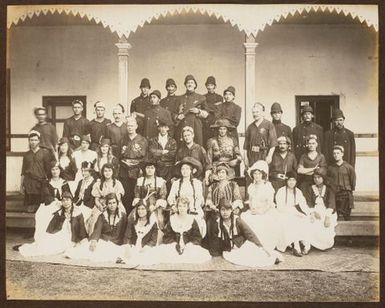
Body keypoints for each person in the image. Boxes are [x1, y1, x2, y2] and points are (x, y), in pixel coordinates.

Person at [205, 199, 280, 267]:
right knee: (242, 259)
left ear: (231, 210)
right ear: (219, 211)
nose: (225, 213)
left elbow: (249, 233)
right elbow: (215, 240)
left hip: (241, 244)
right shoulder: (217, 223)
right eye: (223, 210)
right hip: (229, 249)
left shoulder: (237, 220)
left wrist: (260, 246)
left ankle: (270, 258)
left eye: (228, 210)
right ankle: (268, 259)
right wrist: (215, 253)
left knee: (254, 251)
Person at [18, 191, 88, 257]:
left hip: (70, 236)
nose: (65, 202)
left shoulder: (77, 213)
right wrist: (48, 235)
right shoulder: (60, 212)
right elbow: (52, 225)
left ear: (71, 201)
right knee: (47, 242)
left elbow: (81, 227)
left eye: (67, 200)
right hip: (59, 233)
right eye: (63, 200)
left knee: (55, 247)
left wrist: (83, 238)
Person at [66, 193, 128, 262]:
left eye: (114, 203)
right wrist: (94, 240)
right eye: (110, 203)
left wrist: (126, 244)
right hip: (103, 240)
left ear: (117, 203)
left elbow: (126, 232)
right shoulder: (102, 216)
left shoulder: (123, 216)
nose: (112, 205)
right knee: (90, 249)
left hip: (116, 242)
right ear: (107, 205)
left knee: (114, 252)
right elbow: (97, 229)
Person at [242, 160, 286, 254]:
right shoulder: (251, 186)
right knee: (245, 218)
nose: (256, 176)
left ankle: (263, 245)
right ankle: (253, 244)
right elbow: (250, 200)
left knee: (263, 221)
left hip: (266, 210)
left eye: (259, 173)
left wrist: (261, 211)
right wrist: (251, 208)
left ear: (262, 174)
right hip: (254, 209)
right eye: (255, 173)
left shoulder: (268, 186)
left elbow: (270, 203)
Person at [157, 196, 211, 264]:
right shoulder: (172, 219)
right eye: (180, 206)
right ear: (177, 207)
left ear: (188, 207)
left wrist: (189, 245)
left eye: (184, 206)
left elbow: (197, 237)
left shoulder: (192, 220)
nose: (182, 208)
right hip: (174, 246)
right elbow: (167, 236)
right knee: (165, 254)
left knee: (196, 254)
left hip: (188, 247)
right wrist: (175, 245)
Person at [275, 172, 312, 256]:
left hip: (295, 212)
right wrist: (293, 212)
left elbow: (303, 205)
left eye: (293, 180)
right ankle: (296, 246)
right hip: (283, 212)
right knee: (292, 220)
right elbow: (280, 207)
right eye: (289, 180)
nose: (291, 182)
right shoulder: (281, 191)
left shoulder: (298, 191)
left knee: (305, 219)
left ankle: (307, 245)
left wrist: (309, 213)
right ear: (286, 181)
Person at [167, 157, 206, 237]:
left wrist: (194, 208)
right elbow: (170, 198)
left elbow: (199, 198)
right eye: (182, 169)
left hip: (193, 209)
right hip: (180, 208)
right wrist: (173, 206)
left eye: (187, 169)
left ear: (192, 170)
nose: (184, 171)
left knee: (196, 223)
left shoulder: (197, 183)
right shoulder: (176, 183)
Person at [20, 130, 55, 213]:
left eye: (35, 140)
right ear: (29, 141)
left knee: (39, 207)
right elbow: (23, 171)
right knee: (30, 209)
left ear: (39, 141)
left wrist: (49, 182)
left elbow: (48, 169)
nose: (33, 142)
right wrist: (21, 185)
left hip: (40, 182)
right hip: (29, 182)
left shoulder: (44, 153)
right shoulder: (26, 154)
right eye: (31, 140)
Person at [119, 116, 148, 213]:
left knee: (136, 194)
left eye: (132, 125)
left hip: (136, 171)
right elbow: (119, 155)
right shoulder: (123, 140)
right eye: (128, 126)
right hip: (124, 171)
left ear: (136, 126)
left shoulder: (142, 140)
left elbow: (144, 157)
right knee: (126, 194)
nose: (130, 127)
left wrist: (138, 167)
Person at [305, 168, 338, 250]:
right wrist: (313, 213)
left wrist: (327, 217)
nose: (316, 179)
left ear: (323, 178)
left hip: (327, 211)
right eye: (315, 178)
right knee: (311, 222)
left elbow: (331, 204)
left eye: (319, 177)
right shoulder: (310, 188)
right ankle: (309, 245)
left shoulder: (329, 189)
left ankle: (324, 245)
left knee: (325, 225)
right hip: (314, 209)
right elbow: (308, 202)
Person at [119, 200, 160, 265]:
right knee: (125, 252)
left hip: (145, 248)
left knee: (148, 256)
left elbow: (153, 240)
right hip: (134, 246)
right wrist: (127, 247)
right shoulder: (133, 221)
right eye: (139, 209)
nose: (140, 211)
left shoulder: (152, 223)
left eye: (143, 209)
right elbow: (127, 236)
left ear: (147, 210)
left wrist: (146, 247)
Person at [89, 163, 126, 235]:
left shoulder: (117, 183)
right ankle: (95, 236)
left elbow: (118, 198)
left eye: (109, 170)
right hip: (102, 204)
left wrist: (110, 206)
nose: (107, 173)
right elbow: (96, 199)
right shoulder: (98, 184)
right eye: (105, 171)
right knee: (96, 218)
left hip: (114, 203)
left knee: (121, 215)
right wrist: (99, 206)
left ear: (113, 172)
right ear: (102, 172)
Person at [132, 160, 168, 231]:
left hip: (156, 205)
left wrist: (154, 206)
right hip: (142, 203)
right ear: (145, 169)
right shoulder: (140, 180)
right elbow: (137, 194)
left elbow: (162, 196)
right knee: (132, 217)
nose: (150, 170)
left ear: (155, 169)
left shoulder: (160, 181)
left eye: (152, 168)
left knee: (159, 220)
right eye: (148, 168)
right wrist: (141, 203)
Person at [175, 74, 208, 146]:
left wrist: (199, 111)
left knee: (197, 147)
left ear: (195, 85)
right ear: (185, 85)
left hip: (196, 126)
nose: (190, 84)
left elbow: (206, 114)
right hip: (183, 125)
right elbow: (173, 113)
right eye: (188, 83)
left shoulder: (201, 98)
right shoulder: (180, 98)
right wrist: (177, 117)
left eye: (192, 83)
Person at [327, 145, 356, 221]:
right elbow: (328, 181)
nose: (336, 155)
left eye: (338, 153)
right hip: (334, 195)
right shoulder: (330, 168)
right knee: (334, 217)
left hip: (345, 194)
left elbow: (352, 181)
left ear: (342, 154)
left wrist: (348, 190)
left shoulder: (349, 167)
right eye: (334, 153)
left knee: (346, 216)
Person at [244, 102, 277, 167]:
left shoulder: (269, 125)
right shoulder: (250, 127)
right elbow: (245, 145)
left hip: (263, 155)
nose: (255, 114)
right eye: (253, 112)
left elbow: (273, 143)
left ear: (262, 112)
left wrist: (269, 156)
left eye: (257, 112)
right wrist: (245, 158)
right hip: (252, 156)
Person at [148, 119, 177, 184]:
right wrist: (162, 152)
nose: (163, 129)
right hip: (157, 168)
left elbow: (172, 154)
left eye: (165, 127)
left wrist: (158, 153)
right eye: (161, 127)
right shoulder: (153, 140)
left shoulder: (172, 141)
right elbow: (151, 152)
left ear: (168, 128)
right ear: (158, 128)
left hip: (169, 168)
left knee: (168, 186)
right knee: (157, 186)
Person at [203, 76, 223, 145]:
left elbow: (219, 110)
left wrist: (208, 107)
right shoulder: (203, 97)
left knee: (216, 145)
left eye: (211, 85)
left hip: (216, 124)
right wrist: (214, 106)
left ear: (215, 86)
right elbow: (203, 110)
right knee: (206, 144)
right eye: (208, 85)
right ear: (206, 86)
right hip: (205, 125)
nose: (209, 87)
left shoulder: (219, 97)